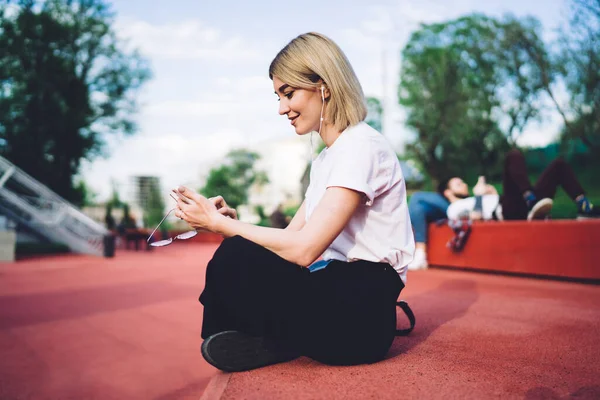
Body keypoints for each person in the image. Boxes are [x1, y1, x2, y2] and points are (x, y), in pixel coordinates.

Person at [171, 32, 415, 372]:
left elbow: (303, 250)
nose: (282, 108)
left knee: (237, 254)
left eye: (289, 93)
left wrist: (222, 225)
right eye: (277, 96)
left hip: (361, 313)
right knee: (238, 253)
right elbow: (289, 240)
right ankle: (257, 340)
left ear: (324, 86)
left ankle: (264, 338)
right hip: (331, 290)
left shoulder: (362, 145)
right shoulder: (326, 160)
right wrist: (231, 225)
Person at [408, 149, 599, 269]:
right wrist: (482, 196)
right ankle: (530, 203)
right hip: (507, 209)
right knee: (511, 157)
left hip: (518, 200)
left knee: (556, 164)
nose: (464, 184)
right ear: (448, 192)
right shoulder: (455, 208)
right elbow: (473, 218)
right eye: (458, 184)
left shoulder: (475, 195)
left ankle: (583, 206)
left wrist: (489, 191)